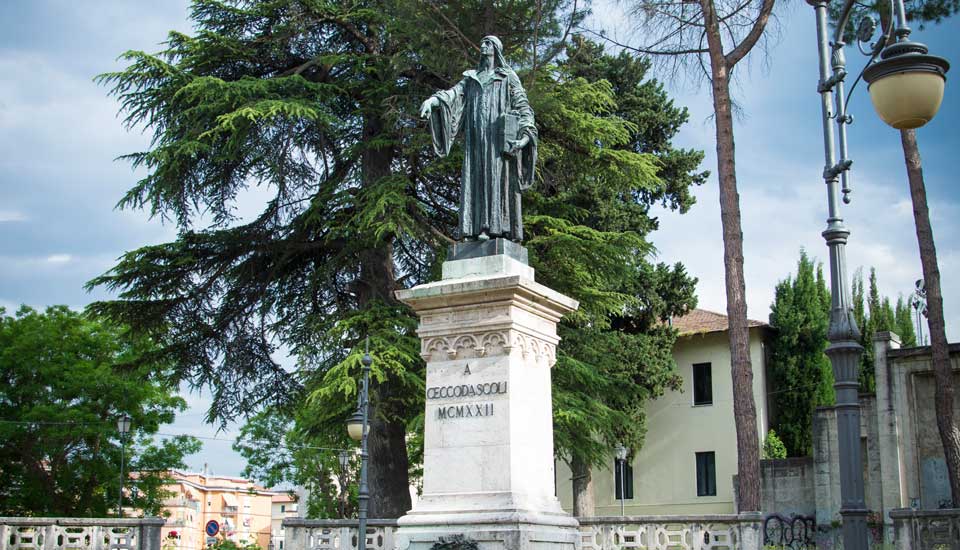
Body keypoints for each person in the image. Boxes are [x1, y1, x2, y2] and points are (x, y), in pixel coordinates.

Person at [419, 35, 538, 242]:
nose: (483, 46)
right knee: (475, 180)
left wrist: (526, 134)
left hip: (498, 141)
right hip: (475, 141)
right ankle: (475, 229)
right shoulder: (471, 78)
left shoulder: (507, 77)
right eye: (482, 42)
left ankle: (497, 229)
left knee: (497, 181)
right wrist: (433, 100)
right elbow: (453, 94)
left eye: (488, 43)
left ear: (496, 49)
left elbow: (523, 106)